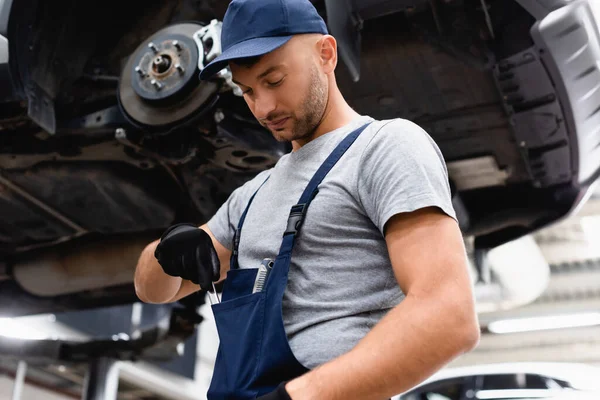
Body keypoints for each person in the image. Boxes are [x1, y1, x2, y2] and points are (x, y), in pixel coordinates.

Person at [134, 0, 480, 399]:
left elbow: (449, 315)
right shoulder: (251, 197)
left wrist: (300, 397)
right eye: (247, 91)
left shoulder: (384, 148)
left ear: (326, 53)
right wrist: (167, 251)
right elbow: (151, 289)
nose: (263, 107)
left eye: (275, 80)